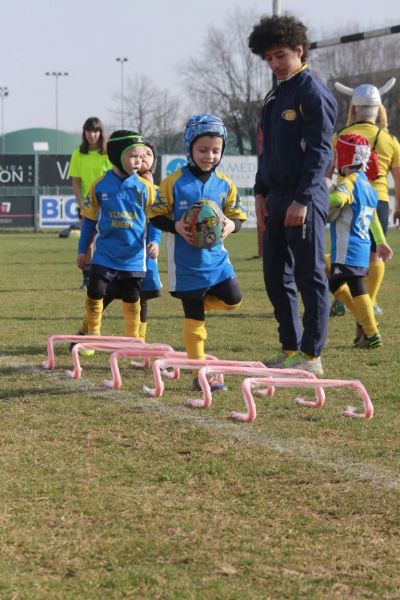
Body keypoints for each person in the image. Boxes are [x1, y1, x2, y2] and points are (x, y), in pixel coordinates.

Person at [248, 14, 338, 376]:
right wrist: (259, 192)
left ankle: (312, 356)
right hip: (275, 197)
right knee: (275, 276)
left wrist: (302, 199)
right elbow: (266, 151)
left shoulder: (313, 93)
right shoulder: (274, 96)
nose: (274, 64)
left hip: (306, 198)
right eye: (268, 58)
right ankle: (290, 347)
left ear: (299, 51)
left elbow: (320, 153)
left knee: (309, 276)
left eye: (280, 55)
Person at [148, 113, 247, 391]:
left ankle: (199, 302)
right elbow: (154, 215)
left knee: (234, 299)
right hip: (187, 265)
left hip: (217, 262)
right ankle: (199, 373)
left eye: (216, 150)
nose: (210, 156)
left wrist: (231, 225)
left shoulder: (225, 184)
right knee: (195, 321)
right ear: (189, 148)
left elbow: (238, 216)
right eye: (203, 150)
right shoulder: (173, 183)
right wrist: (175, 225)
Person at [329, 78, 400, 318]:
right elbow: (398, 179)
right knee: (374, 254)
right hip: (376, 200)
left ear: (354, 109)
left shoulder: (340, 135)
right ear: (379, 109)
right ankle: (371, 301)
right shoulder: (389, 140)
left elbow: (327, 171)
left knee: (343, 253)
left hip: (345, 199)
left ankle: (343, 298)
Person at [75, 130, 156, 340]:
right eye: (133, 156)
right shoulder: (100, 186)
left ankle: (132, 340)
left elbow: (155, 219)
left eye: (141, 156)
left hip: (134, 257)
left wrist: (154, 241)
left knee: (132, 297)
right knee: (95, 290)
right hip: (105, 254)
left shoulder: (146, 188)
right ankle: (92, 335)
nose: (139, 161)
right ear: (118, 156)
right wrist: (82, 250)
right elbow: (89, 222)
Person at [328, 133, 393, 348]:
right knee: (337, 280)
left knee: (353, 286)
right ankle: (367, 325)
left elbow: (338, 199)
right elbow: (374, 218)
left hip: (348, 247)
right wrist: (381, 242)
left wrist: (316, 200)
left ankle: (371, 331)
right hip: (362, 246)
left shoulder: (350, 182)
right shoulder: (368, 185)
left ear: (344, 157)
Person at [102, 139, 162, 341]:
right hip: (115, 254)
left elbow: (156, 221)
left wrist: (155, 241)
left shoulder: (152, 189)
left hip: (142, 255)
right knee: (105, 292)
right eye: (137, 154)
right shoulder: (121, 182)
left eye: (147, 154)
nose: (142, 158)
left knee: (141, 296)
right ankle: (87, 330)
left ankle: (139, 340)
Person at [68, 117, 112, 289]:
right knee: (87, 241)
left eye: (95, 131)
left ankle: (109, 275)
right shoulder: (78, 153)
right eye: (88, 131)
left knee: (108, 240)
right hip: (87, 206)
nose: (92, 135)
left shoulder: (108, 153)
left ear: (101, 133)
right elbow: (76, 182)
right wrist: (81, 203)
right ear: (84, 133)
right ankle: (87, 278)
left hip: (107, 204)